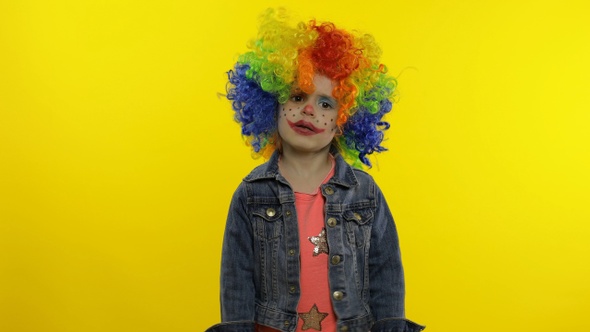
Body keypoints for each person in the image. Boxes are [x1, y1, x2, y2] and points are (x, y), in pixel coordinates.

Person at [206, 8, 425, 332]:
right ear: (273, 105)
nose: (309, 109)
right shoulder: (252, 194)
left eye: (326, 103)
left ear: (343, 122)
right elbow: (236, 278)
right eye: (297, 96)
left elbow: (386, 270)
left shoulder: (364, 193)